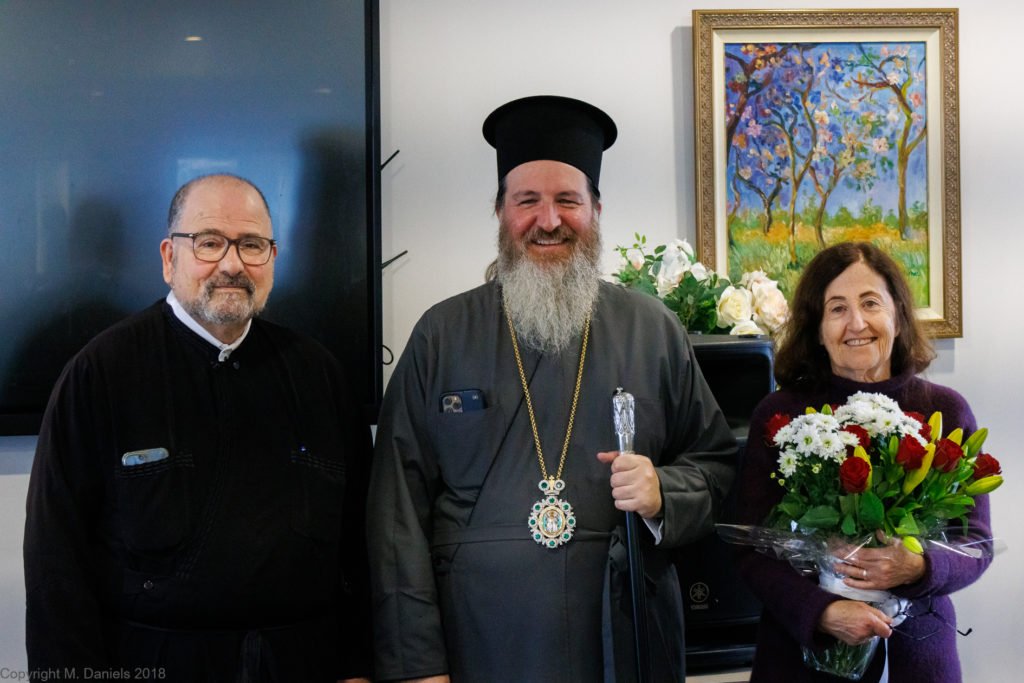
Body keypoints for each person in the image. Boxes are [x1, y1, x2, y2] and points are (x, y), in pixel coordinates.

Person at [367, 95, 738, 682]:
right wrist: (415, 663)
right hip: (477, 641)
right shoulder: (441, 333)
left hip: (619, 636)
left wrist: (664, 490)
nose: (548, 220)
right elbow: (395, 512)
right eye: (527, 201)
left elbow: (718, 467)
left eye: (568, 200)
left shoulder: (652, 328)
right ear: (499, 211)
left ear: (595, 209)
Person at [24, 174, 373, 682]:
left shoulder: (320, 375)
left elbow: (362, 547)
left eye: (251, 245)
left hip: (305, 663)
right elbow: (57, 564)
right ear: (170, 258)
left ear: (272, 258)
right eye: (209, 242)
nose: (232, 264)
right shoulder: (100, 373)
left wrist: (360, 668)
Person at [734, 242, 993, 682]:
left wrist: (919, 565)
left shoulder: (945, 410)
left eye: (870, 303)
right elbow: (750, 550)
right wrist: (825, 610)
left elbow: (976, 543)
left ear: (897, 313)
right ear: (817, 328)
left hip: (919, 655)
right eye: (836, 309)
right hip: (801, 656)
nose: (856, 323)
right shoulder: (781, 416)